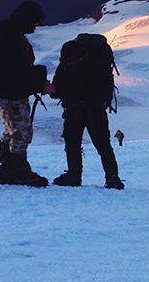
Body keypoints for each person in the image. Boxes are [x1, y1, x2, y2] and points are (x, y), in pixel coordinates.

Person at [0, 0, 53, 187]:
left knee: (10, 129)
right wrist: (40, 86)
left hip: (4, 91)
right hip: (12, 93)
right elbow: (19, 69)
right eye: (35, 22)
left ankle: (7, 170)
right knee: (21, 132)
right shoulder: (11, 38)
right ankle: (21, 173)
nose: (36, 26)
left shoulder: (4, 32)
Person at [50, 37, 124, 190]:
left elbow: (96, 92)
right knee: (74, 142)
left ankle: (107, 177)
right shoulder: (69, 63)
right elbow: (58, 88)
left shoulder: (98, 62)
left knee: (100, 143)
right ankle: (99, 176)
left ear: (81, 56)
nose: (69, 65)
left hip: (92, 109)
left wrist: (65, 92)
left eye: (71, 62)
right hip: (78, 108)